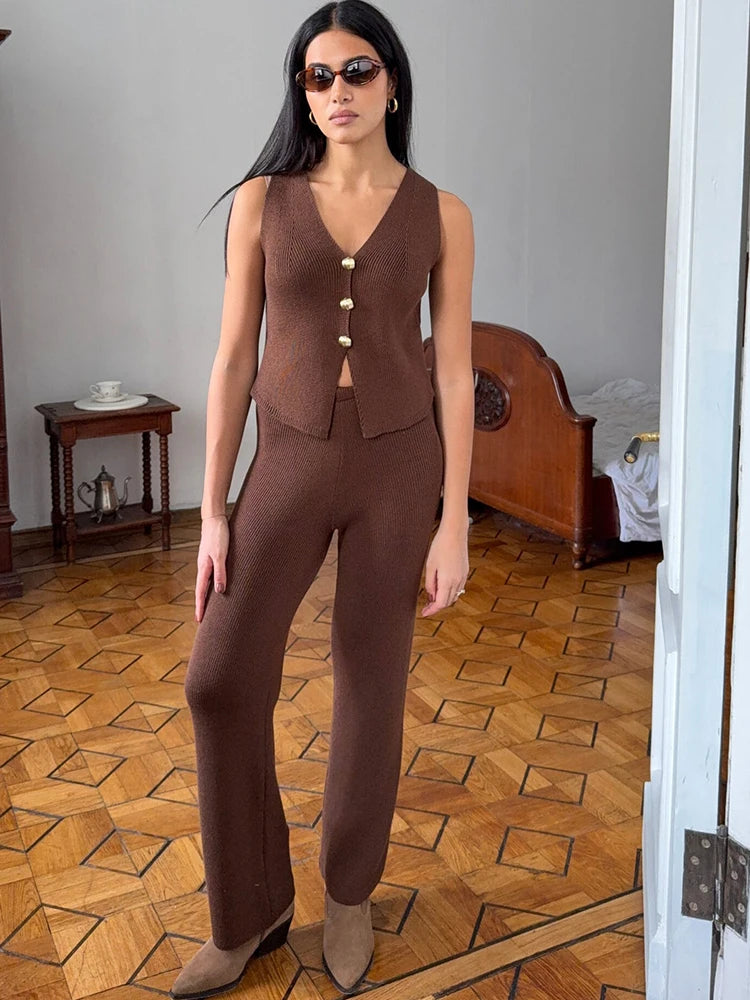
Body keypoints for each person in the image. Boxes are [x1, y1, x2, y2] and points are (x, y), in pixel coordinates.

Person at [170, 2, 474, 997]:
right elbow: (230, 360)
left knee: (370, 679)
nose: (335, 92)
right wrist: (212, 508)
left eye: (355, 71)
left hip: (398, 465)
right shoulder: (263, 200)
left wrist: (456, 519)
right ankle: (248, 906)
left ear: (391, 79)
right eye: (316, 76)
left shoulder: (443, 213)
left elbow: (458, 374)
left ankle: (348, 896)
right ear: (300, 91)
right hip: (291, 455)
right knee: (219, 677)